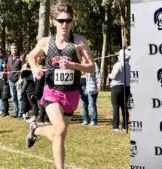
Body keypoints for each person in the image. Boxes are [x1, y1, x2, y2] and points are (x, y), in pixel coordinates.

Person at [26, 3, 95, 169]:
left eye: (68, 20)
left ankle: (35, 129)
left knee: (59, 134)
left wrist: (74, 65)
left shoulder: (79, 41)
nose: (64, 24)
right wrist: (35, 68)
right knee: (61, 127)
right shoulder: (46, 42)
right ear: (54, 22)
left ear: (72, 22)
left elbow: (92, 67)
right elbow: (30, 56)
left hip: (71, 94)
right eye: (61, 20)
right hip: (52, 92)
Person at [108, 47, 131, 131]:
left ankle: (115, 126)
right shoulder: (130, 65)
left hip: (116, 87)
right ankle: (125, 126)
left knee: (115, 106)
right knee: (124, 107)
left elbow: (113, 76)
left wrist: (109, 75)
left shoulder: (118, 64)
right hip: (127, 87)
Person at [80, 60, 101, 126]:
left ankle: (94, 121)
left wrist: (98, 86)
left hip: (91, 86)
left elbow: (98, 75)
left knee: (92, 104)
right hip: (82, 85)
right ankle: (85, 120)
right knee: (84, 104)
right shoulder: (80, 63)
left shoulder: (93, 64)